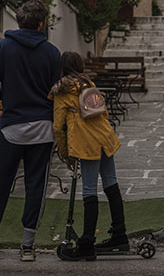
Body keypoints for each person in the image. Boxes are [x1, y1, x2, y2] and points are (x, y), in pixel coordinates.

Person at [0, 0, 61, 262]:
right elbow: (56, 92)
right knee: (35, 184)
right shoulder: (51, 53)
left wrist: (8, 97)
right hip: (42, 128)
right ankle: (27, 245)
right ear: (41, 23)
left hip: (12, 125)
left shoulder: (3, 48)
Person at [50, 51, 128, 261]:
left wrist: (65, 154)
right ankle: (119, 234)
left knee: (89, 190)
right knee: (111, 184)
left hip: (86, 143)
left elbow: (58, 127)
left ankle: (86, 242)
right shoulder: (89, 84)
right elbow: (104, 113)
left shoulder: (61, 92)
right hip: (104, 137)